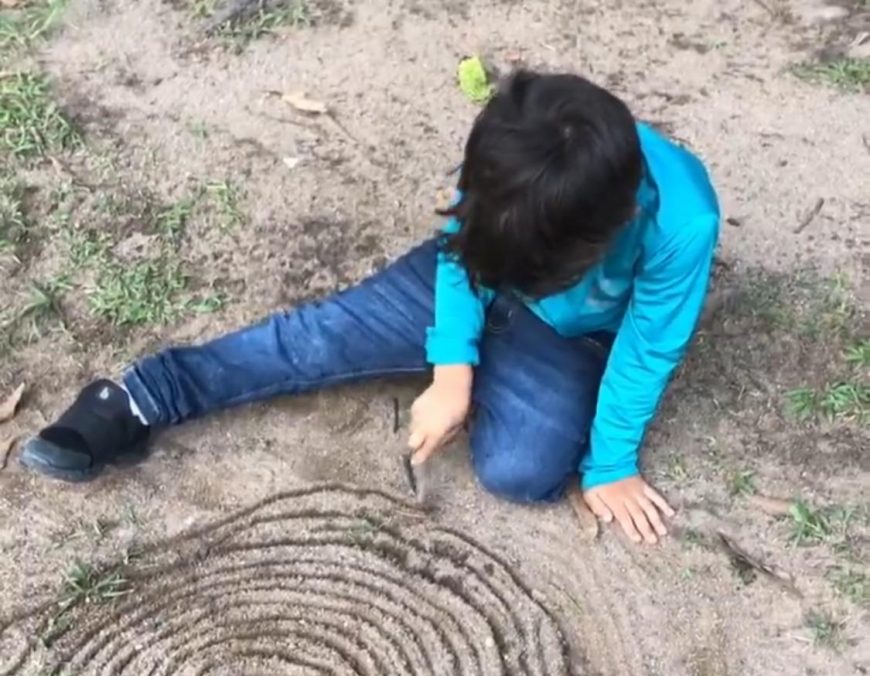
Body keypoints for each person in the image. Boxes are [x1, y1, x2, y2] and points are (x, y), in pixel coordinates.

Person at [21, 70, 720, 546]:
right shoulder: (514, 151)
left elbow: (647, 346)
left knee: (521, 472)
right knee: (317, 338)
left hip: (571, 339)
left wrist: (610, 464)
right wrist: (452, 369)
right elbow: (458, 254)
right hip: (470, 278)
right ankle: (141, 397)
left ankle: (500, 363)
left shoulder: (681, 219)